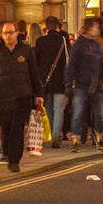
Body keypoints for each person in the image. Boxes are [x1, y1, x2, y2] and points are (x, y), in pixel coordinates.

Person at [0, 21, 44, 172]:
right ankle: (6, 152)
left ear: (17, 33)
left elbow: (34, 73)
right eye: (5, 33)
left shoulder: (26, 50)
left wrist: (39, 94)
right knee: (6, 128)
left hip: (22, 95)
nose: (8, 36)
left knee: (17, 129)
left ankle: (14, 161)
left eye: (11, 33)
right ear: (2, 35)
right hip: (3, 96)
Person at [65, 18, 103, 152]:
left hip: (96, 85)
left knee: (99, 114)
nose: (98, 30)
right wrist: (68, 83)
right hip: (81, 84)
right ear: (90, 28)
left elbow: (101, 64)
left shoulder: (96, 45)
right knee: (78, 113)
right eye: (96, 27)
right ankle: (76, 140)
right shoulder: (79, 45)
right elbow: (72, 64)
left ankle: (99, 138)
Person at [34, 17, 70, 148]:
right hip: (60, 82)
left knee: (48, 111)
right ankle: (56, 137)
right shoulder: (63, 41)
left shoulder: (40, 41)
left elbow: (35, 63)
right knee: (59, 110)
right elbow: (68, 60)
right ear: (57, 26)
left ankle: (49, 138)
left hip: (45, 83)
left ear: (46, 27)